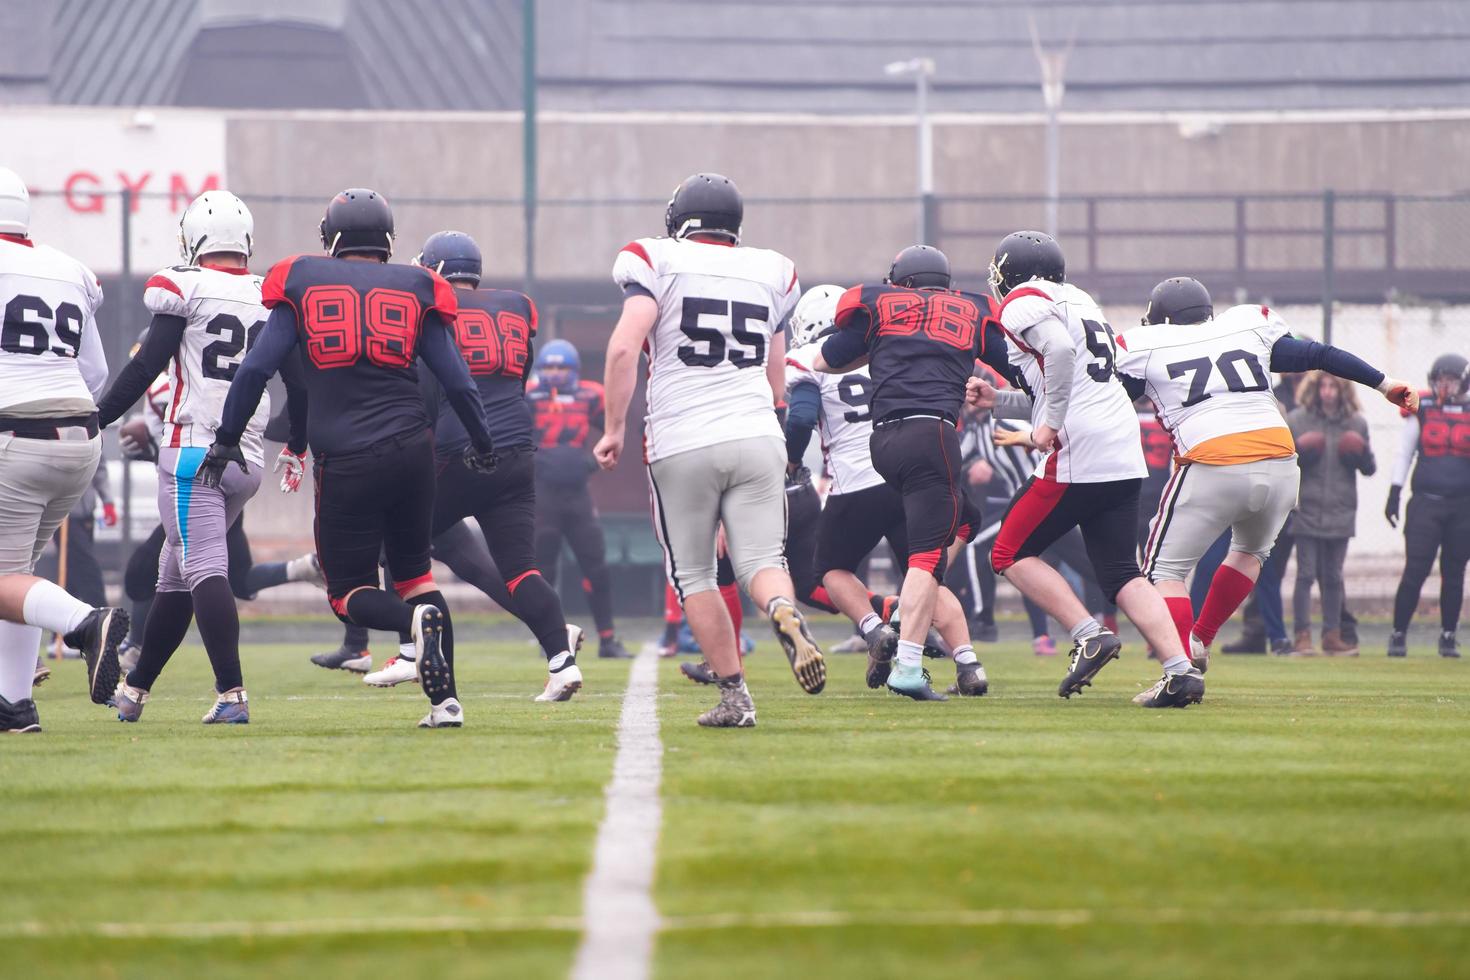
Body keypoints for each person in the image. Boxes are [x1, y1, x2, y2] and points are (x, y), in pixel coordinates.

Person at [204, 188, 497, 729]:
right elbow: (457, 379)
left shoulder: (303, 279)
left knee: (348, 594)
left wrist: (225, 440)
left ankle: (416, 629)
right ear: (388, 240)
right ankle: (446, 703)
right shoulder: (418, 286)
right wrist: (482, 441)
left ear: (331, 237)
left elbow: (254, 371)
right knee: (416, 578)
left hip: (348, 457)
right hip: (413, 451)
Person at [597, 172, 825, 728]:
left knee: (695, 574)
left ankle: (735, 698)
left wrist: (614, 428)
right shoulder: (773, 271)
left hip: (683, 437)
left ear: (679, 222)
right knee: (762, 562)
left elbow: (626, 347)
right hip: (756, 433)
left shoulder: (655, 259)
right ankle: (781, 609)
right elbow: (778, 378)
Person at [1115, 277, 1415, 673]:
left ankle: (1181, 670)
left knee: (1163, 572)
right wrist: (1385, 383)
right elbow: (1320, 354)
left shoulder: (1144, 346)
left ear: (1163, 320)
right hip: (1280, 461)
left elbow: (1101, 396)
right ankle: (1200, 640)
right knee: (1250, 553)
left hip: (1213, 459)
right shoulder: (1245, 328)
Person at [97, 191, 306, 723]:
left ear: (194, 240)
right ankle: (136, 690)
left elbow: (147, 369)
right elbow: (297, 382)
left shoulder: (183, 286)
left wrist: (95, 417)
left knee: (204, 567)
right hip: (248, 459)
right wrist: (299, 442)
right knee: (175, 574)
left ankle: (231, 693)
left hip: (195, 452)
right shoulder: (269, 295)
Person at [970, 230, 1201, 708]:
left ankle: (1088, 634)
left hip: (1080, 447)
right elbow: (1078, 379)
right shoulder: (1078, 300)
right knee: (1122, 572)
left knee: (1008, 552)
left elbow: (1059, 354)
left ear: (1007, 273)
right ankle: (1181, 671)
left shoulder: (1021, 301)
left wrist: (1046, 426)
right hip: (1119, 441)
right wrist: (1002, 403)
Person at [378, 229, 587, 701]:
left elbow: (432, 388)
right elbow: (520, 376)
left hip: (460, 448)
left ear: (434, 269)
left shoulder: (433, 308)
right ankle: (561, 660)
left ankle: (410, 652)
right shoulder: (515, 306)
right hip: (516, 452)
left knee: (398, 538)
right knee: (521, 570)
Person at [815, 245, 1007, 700]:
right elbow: (1014, 368)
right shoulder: (968, 311)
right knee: (927, 559)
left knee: (963, 519)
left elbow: (827, 359)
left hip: (883, 442)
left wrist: (889, 343)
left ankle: (925, 629)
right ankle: (907, 663)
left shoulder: (882, 307)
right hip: (932, 435)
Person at [0, 166, 128, 732]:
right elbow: (95, 372)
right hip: (80, 438)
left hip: (16, 435)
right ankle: (15, 704)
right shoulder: (68, 268)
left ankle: (84, 624)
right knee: (18, 578)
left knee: (6, 578)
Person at [526, 339, 630, 659]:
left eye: (561, 367)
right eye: (549, 366)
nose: (554, 373)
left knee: (595, 566)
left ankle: (608, 638)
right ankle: (549, 639)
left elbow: (615, 426)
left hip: (577, 495)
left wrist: (592, 460)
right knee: (543, 569)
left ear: (574, 370)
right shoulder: (528, 394)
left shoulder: (590, 394)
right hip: (543, 495)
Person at [1386, 353, 1470, 658]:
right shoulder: (1421, 407)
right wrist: (1395, 491)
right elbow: (1404, 453)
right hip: (1426, 503)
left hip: (1462, 506)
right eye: (1440, 379)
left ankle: (1448, 636)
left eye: (1451, 379)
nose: (1445, 385)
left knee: (1455, 571)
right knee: (1416, 569)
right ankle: (1398, 634)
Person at [1287, 372, 1376, 656]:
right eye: (1323, 385)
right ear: (1314, 388)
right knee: (1306, 574)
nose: (1327, 392)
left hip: (1341, 507)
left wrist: (1360, 454)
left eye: (1333, 386)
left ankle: (1332, 636)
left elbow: (1370, 468)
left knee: (1334, 576)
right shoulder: (1298, 420)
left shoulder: (1357, 423)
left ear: (1343, 390)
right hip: (1307, 507)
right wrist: (1300, 452)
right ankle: (1302, 636)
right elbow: (1284, 463)